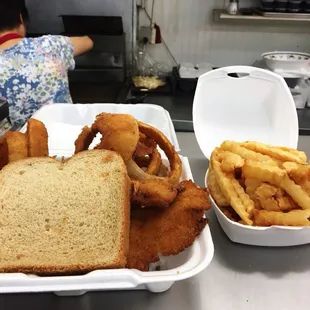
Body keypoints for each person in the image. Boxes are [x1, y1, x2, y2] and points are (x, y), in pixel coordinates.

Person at [0, 0, 93, 127]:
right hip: (64, 139)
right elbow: (88, 42)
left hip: (15, 145)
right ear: (21, 18)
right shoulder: (50, 45)